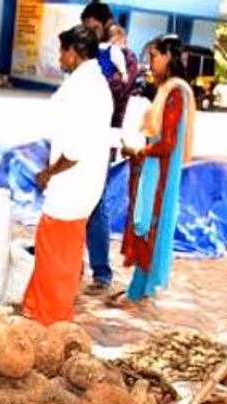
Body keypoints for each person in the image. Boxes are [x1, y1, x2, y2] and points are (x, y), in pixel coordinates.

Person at [21, 26, 112, 325]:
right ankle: (37, 310)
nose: (60, 57)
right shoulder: (94, 83)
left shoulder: (84, 89)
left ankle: (51, 320)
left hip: (71, 183)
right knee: (58, 253)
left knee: (56, 257)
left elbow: (73, 150)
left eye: (62, 51)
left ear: (75, 52)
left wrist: (48, 173)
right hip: (82, 184)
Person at [119, 35, 195, 306]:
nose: (150, 63)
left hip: (159, 174)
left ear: (168, 56)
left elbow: (167, 144)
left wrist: (140, 151)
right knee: (144, 228)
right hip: (153, 168)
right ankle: (138, 287)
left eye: (154, 56)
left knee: (148, 229)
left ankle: (138, 291)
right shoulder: (167, 90)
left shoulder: (175, 92)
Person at [79, 1, 139, 296]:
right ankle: (74, 263)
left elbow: (119, 89)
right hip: (80, 137)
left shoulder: (123, 56)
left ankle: (101, 272)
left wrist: (103, 60)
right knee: (76, 201)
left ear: (103, 23)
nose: (87, 32)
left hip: (103, 139)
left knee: (97, 204)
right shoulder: (90, 52)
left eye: (91, 26)